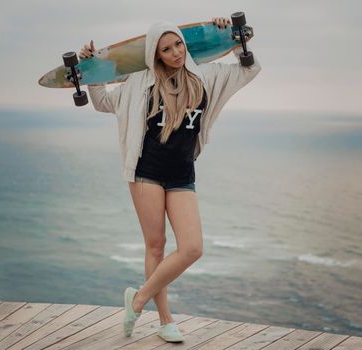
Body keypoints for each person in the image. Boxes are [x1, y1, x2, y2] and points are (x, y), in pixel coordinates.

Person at [78, 16, 261, 343]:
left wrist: (229, 38)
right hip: (145, 172)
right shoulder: (139, 83)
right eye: (166, 49)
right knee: (157, 245)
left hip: (181, 174)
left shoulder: (206, 77)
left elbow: (249, 69)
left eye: (178, 44)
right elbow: (103, 102)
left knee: (192, 248)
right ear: (156, 55)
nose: (175, 52)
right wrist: (92, 72)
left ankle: (137, 298)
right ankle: (165, 321)